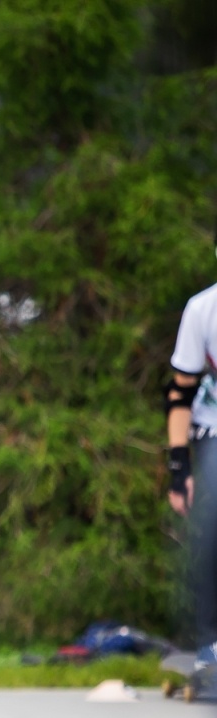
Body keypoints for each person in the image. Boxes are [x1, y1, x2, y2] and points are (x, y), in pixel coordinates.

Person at [165, 227, 217, 658]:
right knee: (211, 528)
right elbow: (180, 392)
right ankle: (209, 643)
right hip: (213, 427)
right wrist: (179, 467)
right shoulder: (203, 309)